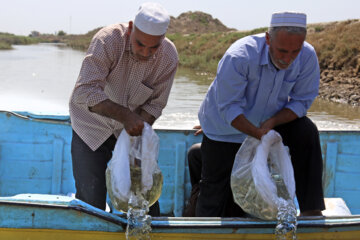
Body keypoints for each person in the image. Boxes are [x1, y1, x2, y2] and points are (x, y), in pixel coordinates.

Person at [196, 12, 325, 217]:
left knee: (305, 130)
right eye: (282, 51)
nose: (287, 59)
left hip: (269, 122)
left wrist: (273, 122)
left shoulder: (307, 56)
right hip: (226, 128)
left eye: (295, 51)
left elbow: (302, 100)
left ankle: (312, 211)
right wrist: (257, 133)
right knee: (215, 194)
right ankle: (205, 230)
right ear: (267, 39)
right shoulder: (239, 57)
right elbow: (230, 107)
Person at [69, 2, 178, 215]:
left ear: (162, 40)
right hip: (90, 126)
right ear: (130, 28)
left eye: (153, 47)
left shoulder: (169, 57)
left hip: (131, 132)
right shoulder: (107, 40)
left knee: (144, 197)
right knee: (91, 202)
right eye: (140, 44)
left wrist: (137, 135)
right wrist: (126, 116)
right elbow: (86, 91)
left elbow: (156, 104)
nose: (146, 53)